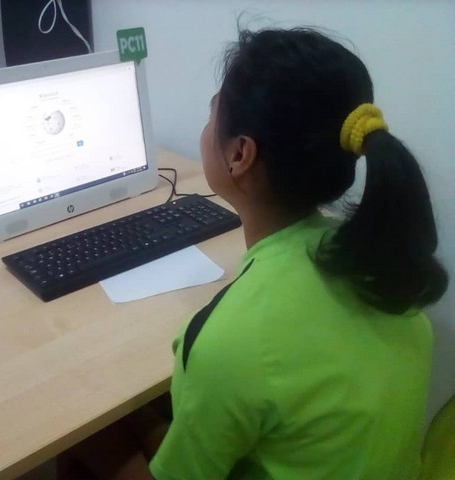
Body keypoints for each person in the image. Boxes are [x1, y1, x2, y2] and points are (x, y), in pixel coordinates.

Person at [58, 26, 449, 480]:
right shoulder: (385, 269)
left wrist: (95, 435)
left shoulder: (225, 343)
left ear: (240, 154)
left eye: (212, 115)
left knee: (78, 435)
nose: (206, 130)